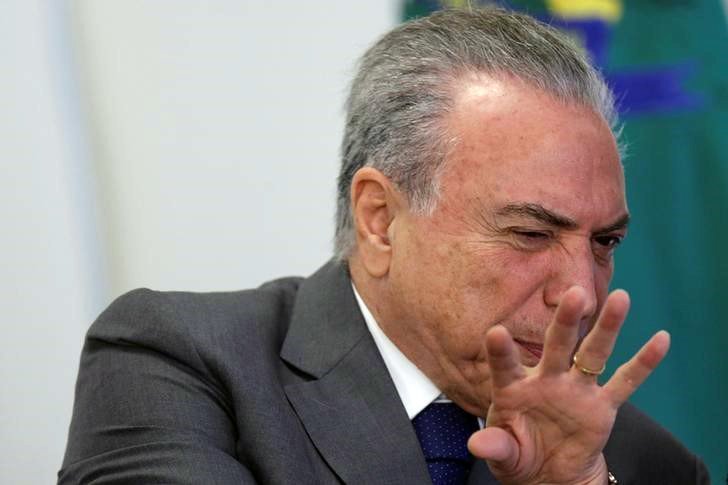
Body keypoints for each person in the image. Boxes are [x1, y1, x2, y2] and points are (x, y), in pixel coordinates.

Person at [59, 7, 709, 485]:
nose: (581, 291)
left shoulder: (638, 462)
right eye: (530, 233)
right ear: (379, 219)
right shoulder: (178, 362)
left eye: (604, 241)